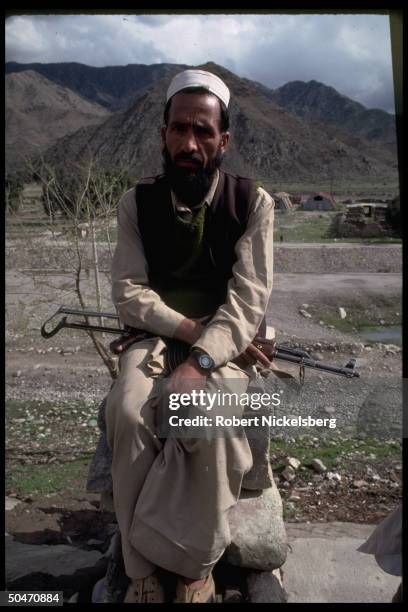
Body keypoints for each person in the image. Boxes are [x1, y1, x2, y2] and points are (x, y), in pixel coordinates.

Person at [105, 69, 275, 603]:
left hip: (225, 345)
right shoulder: (136, 203)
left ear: (224, 140)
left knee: (216, 417)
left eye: (203, 132)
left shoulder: (254, 204)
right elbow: (129, 293)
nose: (189, 143)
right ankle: (143, 572)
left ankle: (197, 566)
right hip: (155, 337)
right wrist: (189, 334)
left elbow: (248, 300)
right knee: (129, 411)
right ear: (162, 135)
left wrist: (200, 360)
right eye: (179, 130)